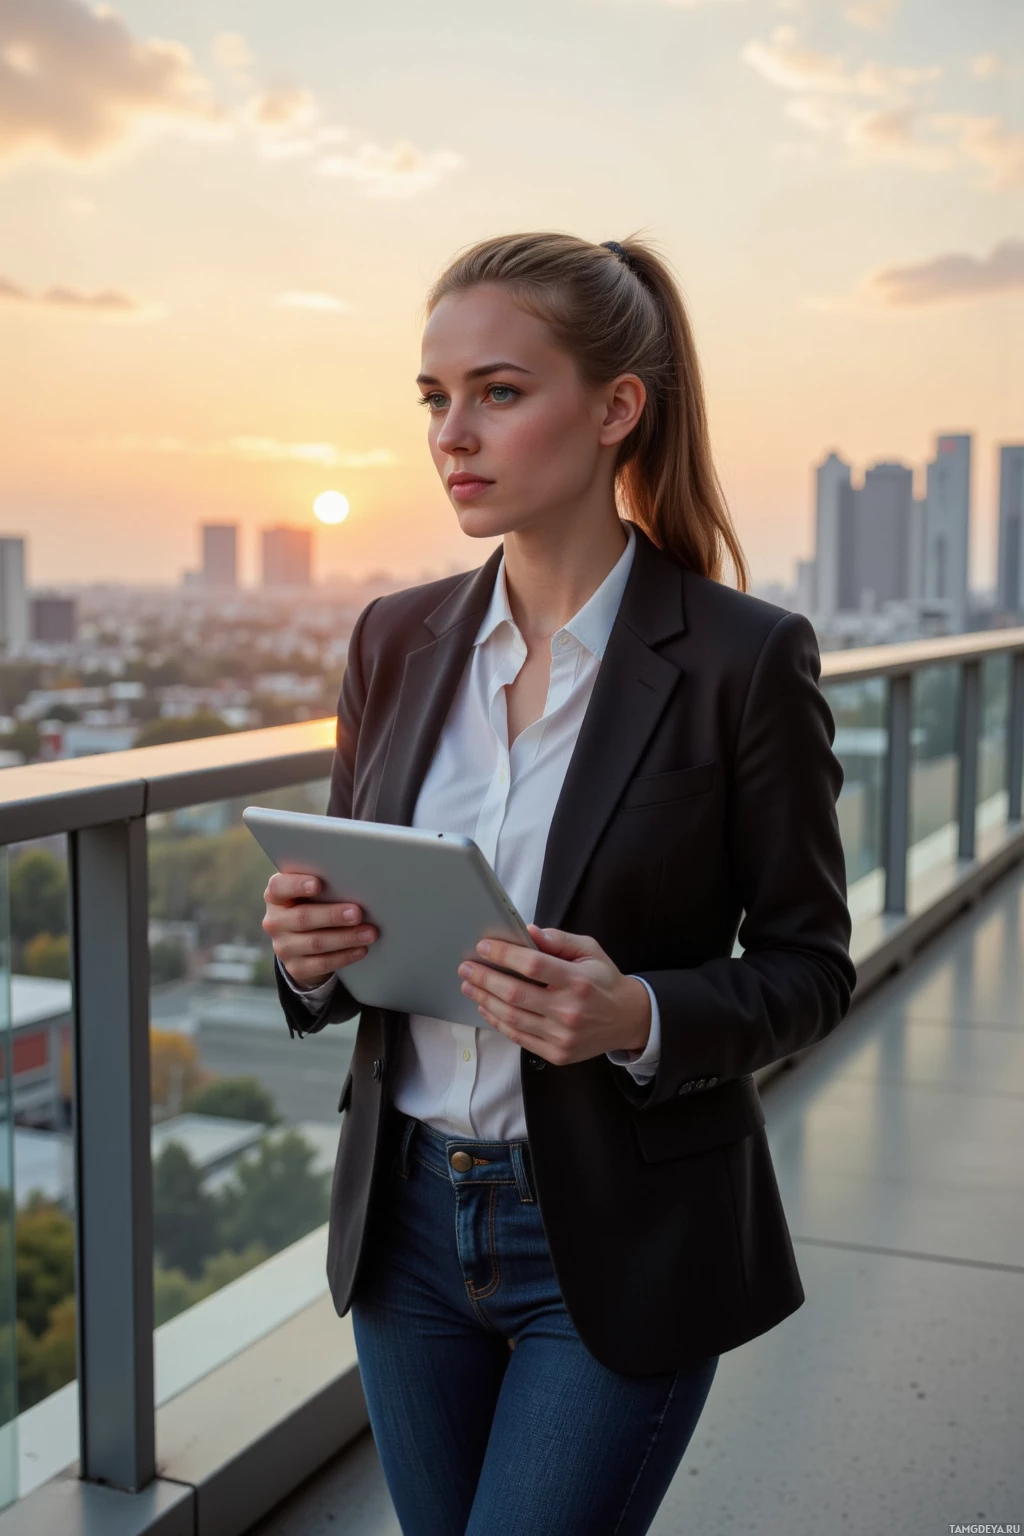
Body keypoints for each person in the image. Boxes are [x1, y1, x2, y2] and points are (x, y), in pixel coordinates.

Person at [264, 231, 856, 1536]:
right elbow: (361, 930)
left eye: (499, 391)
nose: (452, 435)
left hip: (619, 1233)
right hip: (407, 1224)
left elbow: (813, 967)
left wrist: (637, 1015)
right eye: (434, 398)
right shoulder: (392, 639)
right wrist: (310, 958)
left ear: (616, 409)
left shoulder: (742, 660)